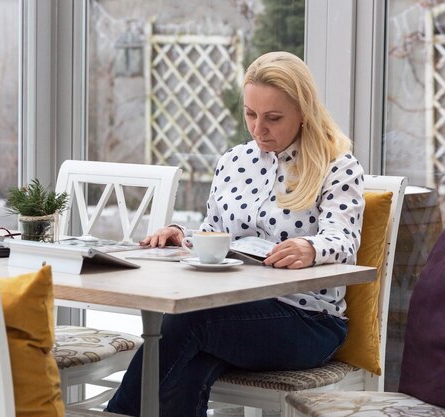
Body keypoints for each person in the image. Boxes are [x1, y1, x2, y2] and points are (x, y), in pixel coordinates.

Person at [105, 51, 365, 417]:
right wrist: (182, 234)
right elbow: (216, 234)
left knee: (188, 321)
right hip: (232, 312)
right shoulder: (233, 160)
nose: (259, 129)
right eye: (251, 114)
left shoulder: (337, 165)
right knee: (186, 365)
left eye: (274, 118)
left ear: (304, 113)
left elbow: (344, 240)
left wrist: (310, 247)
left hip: (308, 321)